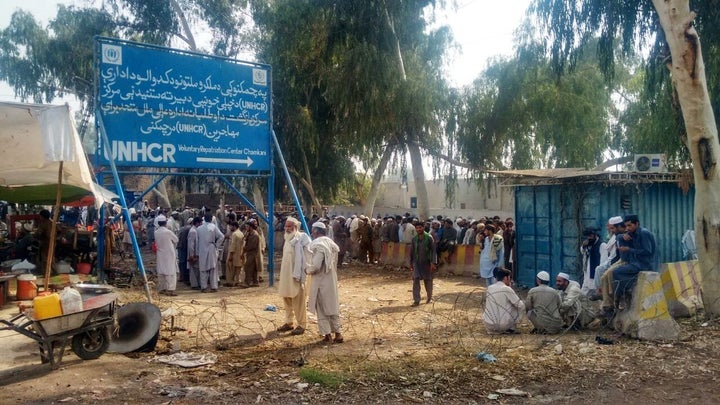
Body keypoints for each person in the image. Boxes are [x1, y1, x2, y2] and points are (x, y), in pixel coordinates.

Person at [603, 214, 658, 314]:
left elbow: (648, 251)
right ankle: (619, 296)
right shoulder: (632, 232)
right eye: (626, 226)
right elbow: (619, 236)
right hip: (635, 262)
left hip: (645, 263)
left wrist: (629, 249)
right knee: (613, 273)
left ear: (636, 224)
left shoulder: (643, 233)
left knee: (617, 272)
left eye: (629, 226)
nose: (627, 228)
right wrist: (622, 236)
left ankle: (620, 296)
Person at [306, 222, 343, 343]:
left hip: (320, 280)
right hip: (331, 279)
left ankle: (327, 336)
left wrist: (307, 269)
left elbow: (316, 265)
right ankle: (338, 334)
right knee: (332, 306)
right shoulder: (331, 243)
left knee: (321, 307)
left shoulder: (318, 245)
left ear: (316, 231)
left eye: (313, 230)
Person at [276, 217, 310, 336]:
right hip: (286, 275)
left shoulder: (301, 238)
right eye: (286, 226)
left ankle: (301, 324)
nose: (287, 228)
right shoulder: (287, 239)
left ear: (295, 227)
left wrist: (304, 272)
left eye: (290, 226)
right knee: (286, 297)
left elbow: (307, 256)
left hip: (297, 276)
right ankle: (289, 322)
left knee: (298, 300)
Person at [483, 267, 525, 334]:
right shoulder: (506, 289)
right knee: (519, 305)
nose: (510, 280)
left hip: (488, 324)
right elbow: (520, 305)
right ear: (505, 278)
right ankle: (511, 328)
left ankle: (493, 330)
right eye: (509, 278)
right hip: (502, 325)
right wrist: (510, 289)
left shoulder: (489, 288)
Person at [409, 222, 437, 306]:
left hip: (427, 263)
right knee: (416, 279)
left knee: (427, 280)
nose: (418, 229)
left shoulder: (429, 238)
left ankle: (429, 297)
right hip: (417, 263)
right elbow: (412, 252)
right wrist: (411, 263)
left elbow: (433, 251)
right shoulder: (414, 239)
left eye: (420, 228)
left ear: (423, 228)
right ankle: (416, 300)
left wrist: (433, 262)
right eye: (417, 228)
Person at [196, 214, 224, 293]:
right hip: (212, 248)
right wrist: (216, 245)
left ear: (204, 219)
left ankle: (204, 287)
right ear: (211, 219)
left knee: (203, 269)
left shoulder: (199, 229)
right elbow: (222, 236)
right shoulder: (213, 227)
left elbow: (197, 242)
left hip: (202, 250)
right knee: (213, 268)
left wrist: (197, 252)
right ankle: (214, 287)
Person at [154, 215, 179, 296]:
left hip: (160, 253)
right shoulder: (167, 232)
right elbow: (176, 239)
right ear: (165, 223)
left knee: (161, 271)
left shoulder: (156, 232)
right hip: (169, 253)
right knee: (170, 271)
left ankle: (162, 288)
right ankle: (170, 289)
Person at [580, 227, 602, 294]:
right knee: (585, 287)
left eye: (590, 236)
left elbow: (604, 260)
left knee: (595, 288)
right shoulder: (588, 243)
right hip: (587, 269)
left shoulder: (601, 244)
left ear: (595, 235)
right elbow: (583, 252)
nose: (588, 238)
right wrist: (583, 246)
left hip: (596, 271)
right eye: (587, 236)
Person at [241, 219, 262, 288]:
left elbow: (250, 246)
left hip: (253, 254)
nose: (246, 228)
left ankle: (247, 282)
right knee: (253, 268)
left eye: (247, 226)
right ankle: (255, 282)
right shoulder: (250, 233)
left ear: (251, 227)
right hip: (250, 254)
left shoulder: (254, 235)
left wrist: (244, 249)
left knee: (248, 267)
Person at [225, 221, 245, 287]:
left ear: (234, 226)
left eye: (231, 226)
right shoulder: (241, 233)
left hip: (234, 254)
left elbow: (233, 245)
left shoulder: (234, 234)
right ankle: (238, 281)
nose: (230, 227)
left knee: (230, 268)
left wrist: (230, 255)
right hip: (240, 254)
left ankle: (230, 281)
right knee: (238, 269)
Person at [186, 217, 202, 289]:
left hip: (196, 253)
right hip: (193, 253)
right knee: (194, 270)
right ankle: (194, 285)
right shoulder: (193, 231)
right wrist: (192, 255)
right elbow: (191, 244)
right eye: (200, 223)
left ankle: (197, 284)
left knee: (196, 269)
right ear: (197, 223)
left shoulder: (195, 230)